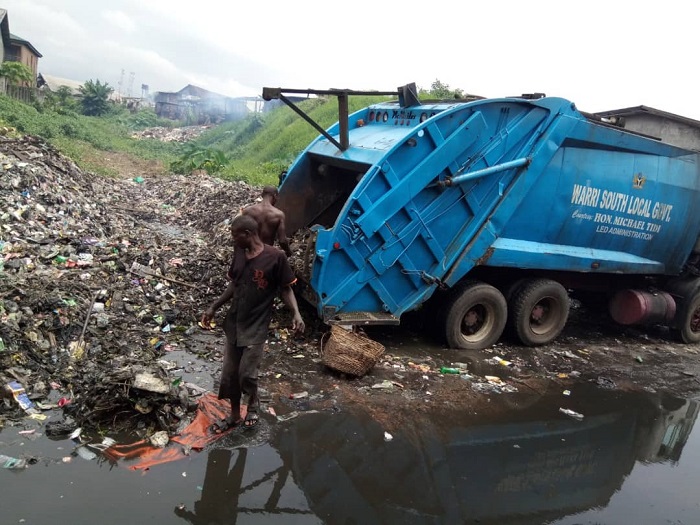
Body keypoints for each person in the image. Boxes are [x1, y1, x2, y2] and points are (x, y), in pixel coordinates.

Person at [201, 214, 304, 431]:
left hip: (257, 324)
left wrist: (296, 313)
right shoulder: (239, 253)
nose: (232, 240)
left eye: (234, 236)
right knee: (230, 374)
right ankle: (235, 415)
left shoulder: (276, 257)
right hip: (234, 322)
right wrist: (214, 307)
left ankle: (253, 406)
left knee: (247, 373)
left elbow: (286, 288)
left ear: (247, 234)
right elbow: (234, 285)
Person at [241, 186, 292, 257]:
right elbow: (282, 240)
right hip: (266, 254)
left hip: (250, 253)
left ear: (262, 195)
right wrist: (288, 252)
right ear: (275, 196)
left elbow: (240, 233)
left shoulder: (248, 211)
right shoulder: (278, 215)